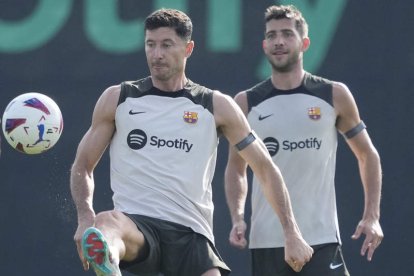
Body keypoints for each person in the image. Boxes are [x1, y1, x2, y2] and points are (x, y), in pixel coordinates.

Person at [70, 8, 313, 276]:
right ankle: (108, 260)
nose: (157, 54)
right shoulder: (119, 98)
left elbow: (266, 169)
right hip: (137, 226)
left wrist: (291, 232)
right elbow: (83, 165)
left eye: (166, 45)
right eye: (150, 45)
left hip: (191, 235)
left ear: (188, 48)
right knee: (106, 222)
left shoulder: (215, 105)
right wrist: (84, 218)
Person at [225, 4, 384, 276]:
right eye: (272, 35)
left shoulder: (333, 95)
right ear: (264, 45)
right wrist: (237, 217)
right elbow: (236, 169)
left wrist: (372, 217)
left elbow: (367, 155)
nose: (279, 42)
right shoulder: (246, 102)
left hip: (320, 239)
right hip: (268, 242)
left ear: (305, 43)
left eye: (287, 34)